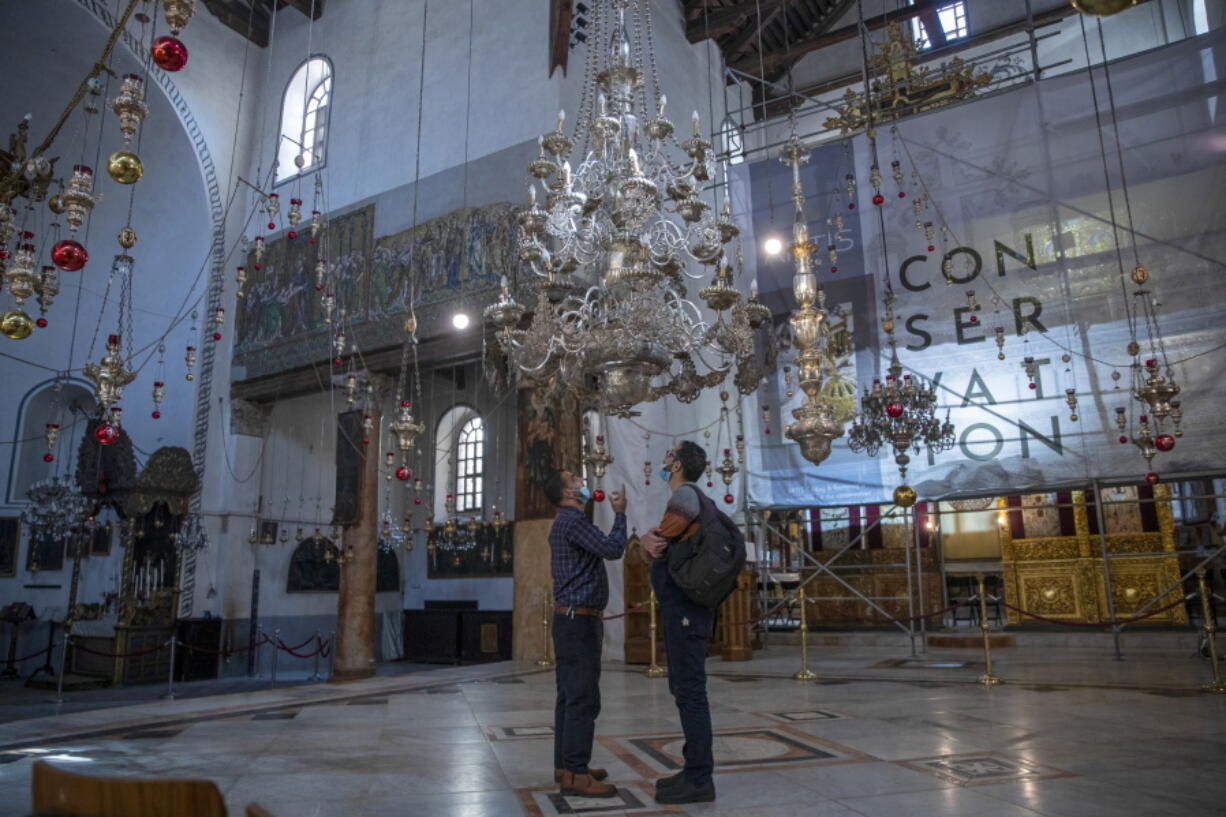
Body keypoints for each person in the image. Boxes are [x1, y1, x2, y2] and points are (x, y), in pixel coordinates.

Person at [640, 440, 716, 805]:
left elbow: (657, 544)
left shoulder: (684, 496)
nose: (664, 458)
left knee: (690, 692)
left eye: (669, 454)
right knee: (685, 690)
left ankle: (700, 779)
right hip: (686, 609)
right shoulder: (690, 497)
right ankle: (693, 770)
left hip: (684, 610)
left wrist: (642, 540)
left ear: (678, 464)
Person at [544, 469, 627, 798]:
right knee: (582, 698)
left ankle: (566, 766)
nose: (582, 482)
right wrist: (620, 516)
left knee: (568, 697)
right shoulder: (573, 522)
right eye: (575, 480)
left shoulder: (566, 521)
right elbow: (612, 549)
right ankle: (576, 775)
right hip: (579, 623)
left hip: (571, 620)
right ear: (567, 494)